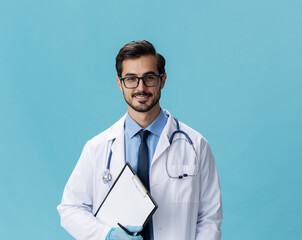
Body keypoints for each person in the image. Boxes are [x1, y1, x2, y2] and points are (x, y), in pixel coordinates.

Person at [57, 40, 223, 240]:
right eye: (131, 79)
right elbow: (70, 208)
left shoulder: (196, 145)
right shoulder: (97, 148)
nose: (140, 87)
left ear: (162, 80)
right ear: (120, 83)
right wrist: (106, 235)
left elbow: (209, 218)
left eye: (149, 78)